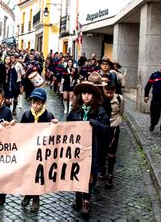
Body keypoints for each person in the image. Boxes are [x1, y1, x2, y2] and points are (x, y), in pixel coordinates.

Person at [67, 72, 110, 218]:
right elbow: (66, 126)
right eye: (84, 93)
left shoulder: (100, 111)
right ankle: (78, 196)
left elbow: (106, 129)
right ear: (80, 95)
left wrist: (95, 123)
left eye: (89, 94)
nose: (86, 96)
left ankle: (86, 200)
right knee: (78, 172)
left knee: (90, 175)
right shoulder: (75, 111)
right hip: (77, 149)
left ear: (94, 96)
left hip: (94, 148)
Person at [20, 88, 58, 212]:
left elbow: (53, 134)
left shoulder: (48, 116)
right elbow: (20, 131)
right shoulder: (26, 114)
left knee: (38, 175)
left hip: (41, 152)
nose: (36, 105)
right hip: (29, 150)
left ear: (44, 103)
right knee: (28, 174)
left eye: (39, 103)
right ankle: (28, 193)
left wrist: (55, 125)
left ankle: (36, 198)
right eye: (34, 102)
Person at [100, 81, 124, 189]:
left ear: (114, 91)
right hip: (102, 127)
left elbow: (121, 112)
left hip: (113, 126)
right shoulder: (101, 99)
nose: (109, 95)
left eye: (111, 93)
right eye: (107, 92)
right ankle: (102, 169)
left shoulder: (119, 99)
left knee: (111, 152)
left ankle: (110, 174)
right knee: (102, 150)